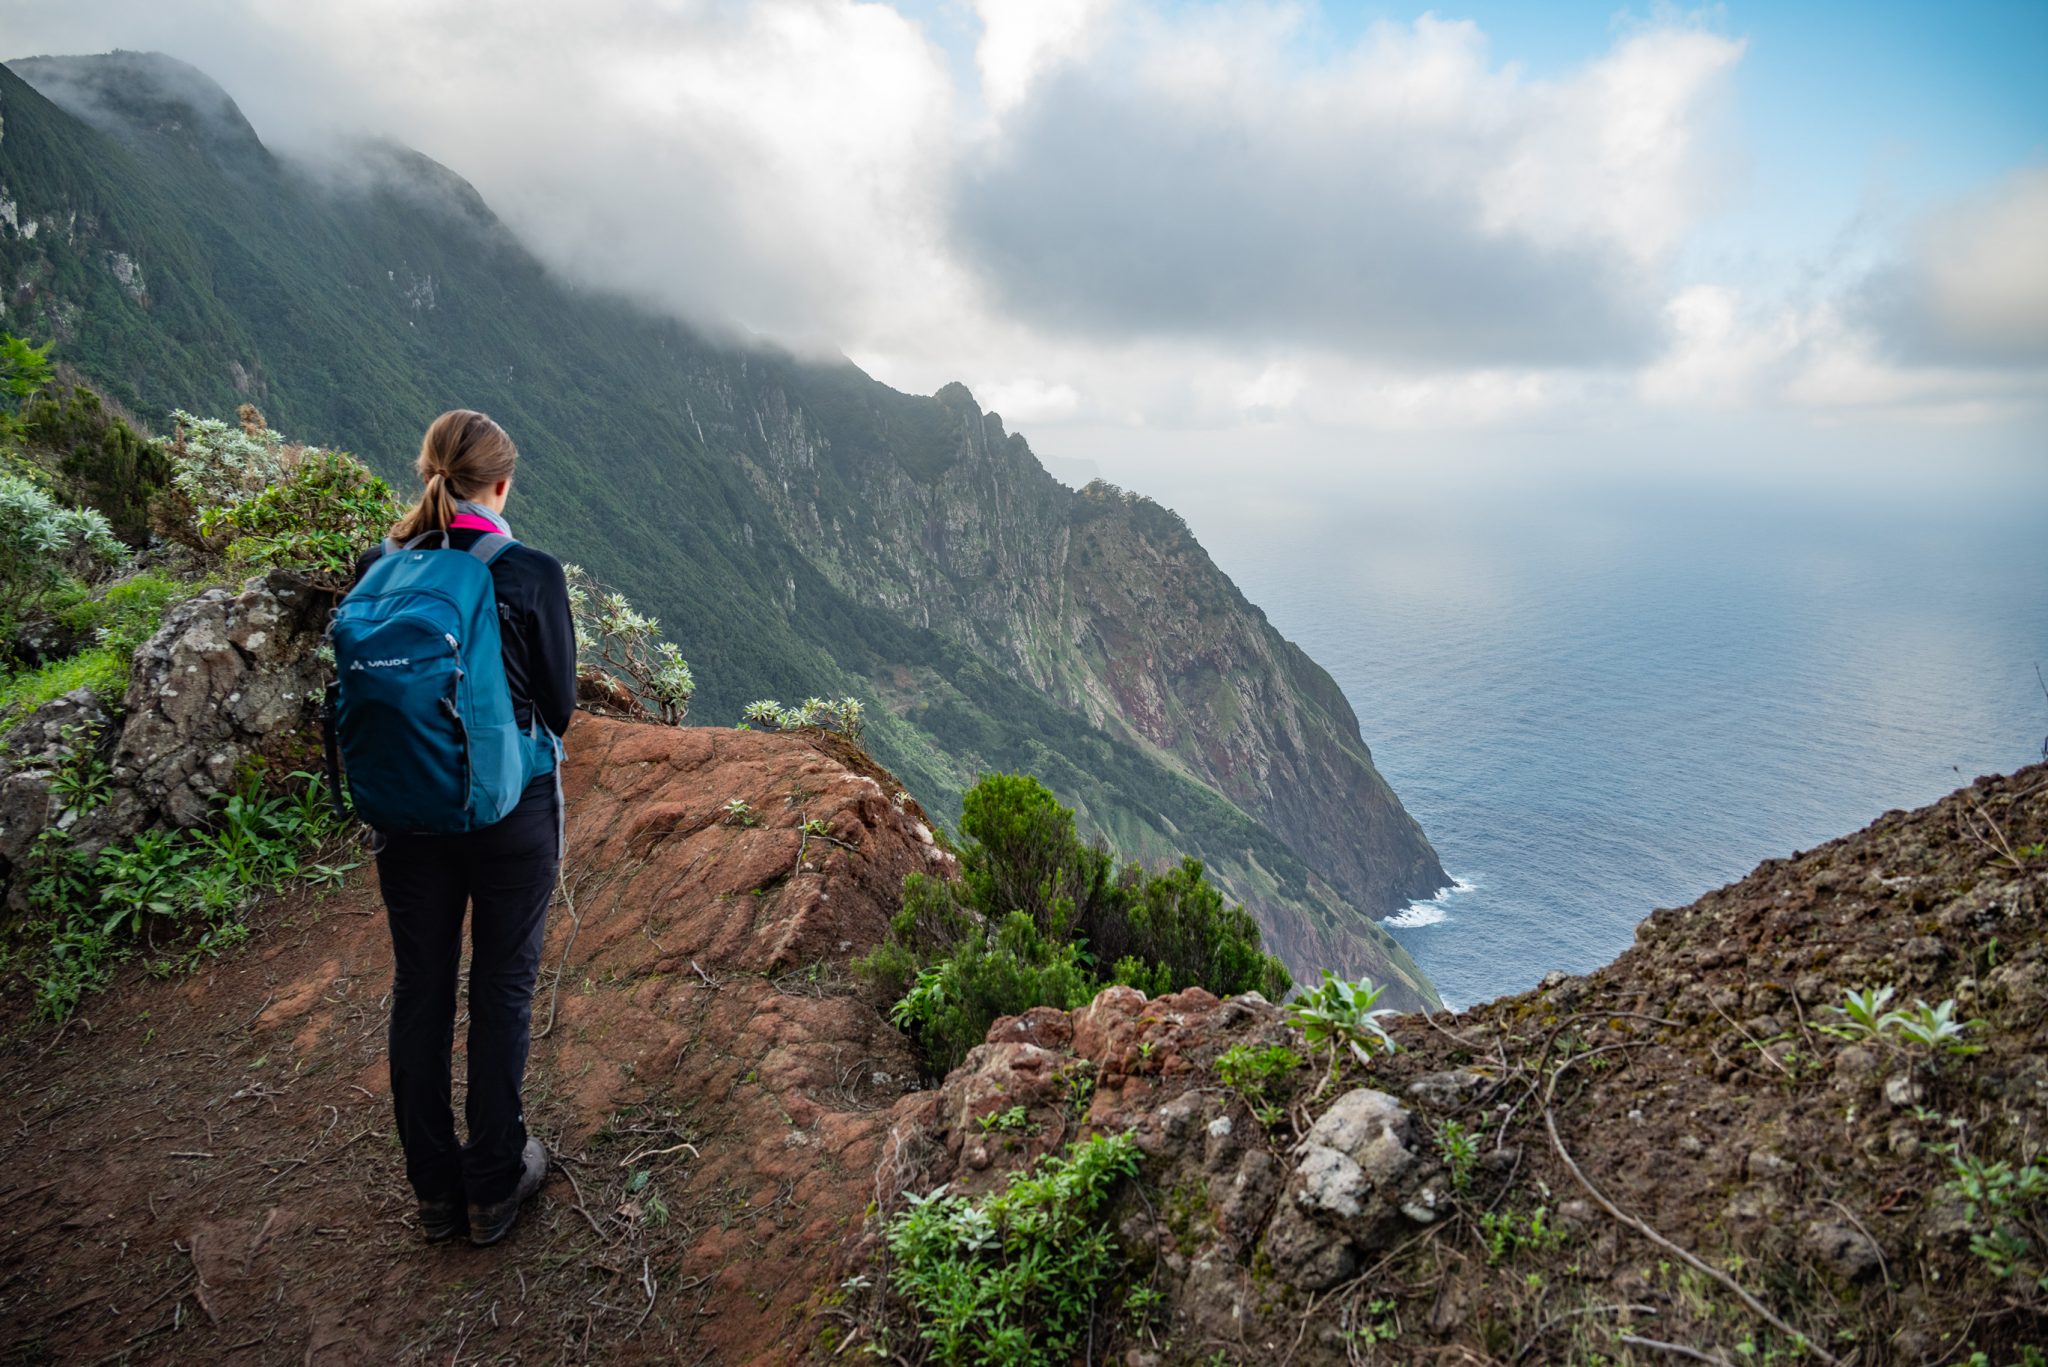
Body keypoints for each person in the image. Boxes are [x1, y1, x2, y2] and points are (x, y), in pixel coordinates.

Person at [352, 409, 577, 1247]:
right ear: (502, 484)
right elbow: (557, 706)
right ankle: (493, 1179)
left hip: (407, 812)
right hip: (510, 812)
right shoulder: (529, 572)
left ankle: (434, 1188)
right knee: (502, 985)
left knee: (421, 986)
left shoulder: (377, 566)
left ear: (430, 474)